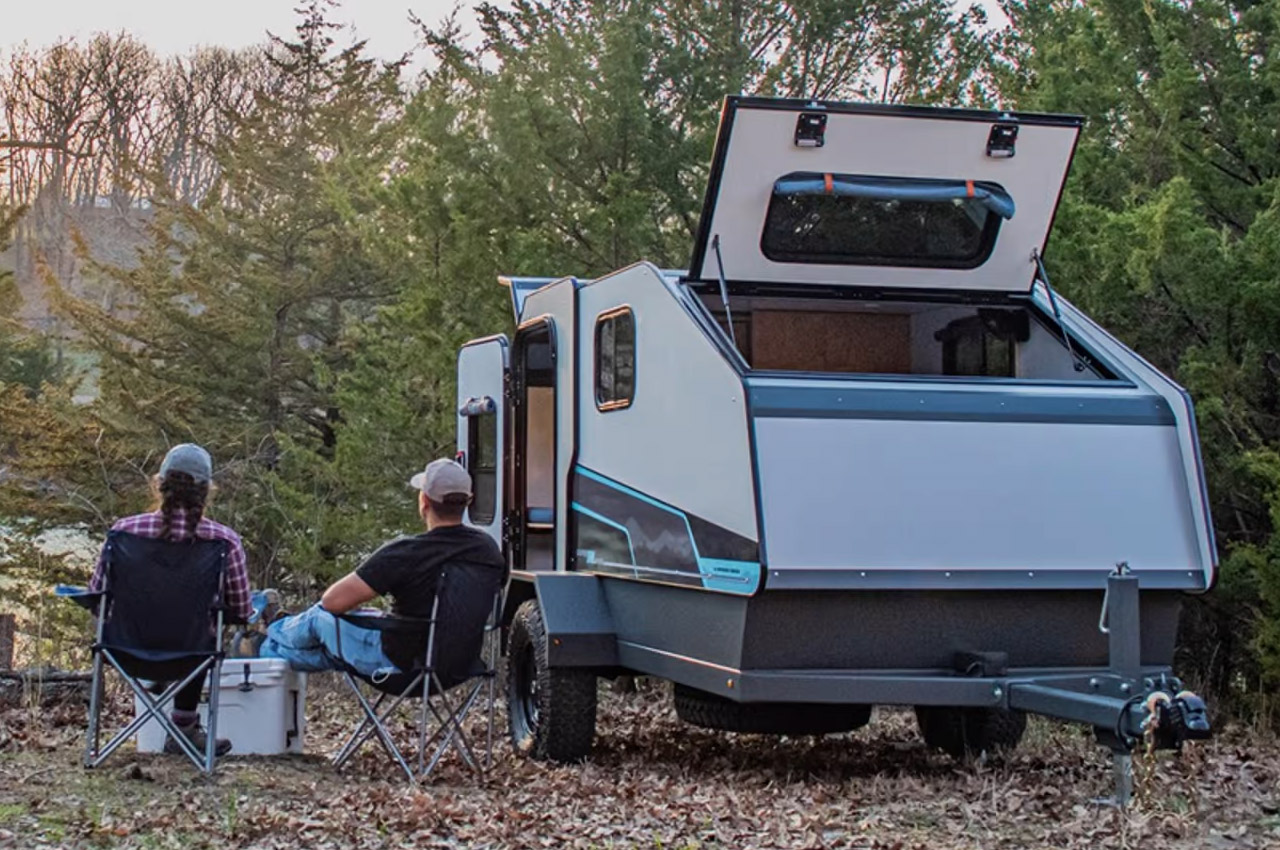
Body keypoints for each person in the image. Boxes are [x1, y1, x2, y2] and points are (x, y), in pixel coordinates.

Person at [260, 459, 506, 678]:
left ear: (424, 501)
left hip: (400, 664)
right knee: (312, 652)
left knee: (317, 617)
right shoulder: (488, 550)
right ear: (468, 501)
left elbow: (332, 602)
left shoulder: (407, 553)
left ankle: (273, 629)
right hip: (459, 668)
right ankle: (266, 647)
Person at [91, 443, 251, 757]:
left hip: (125, 649)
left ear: (159, 484)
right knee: (202, 629)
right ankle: (184, 726)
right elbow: (242, 609)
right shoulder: (224, 541)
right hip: (192, 653)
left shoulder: (123, 532)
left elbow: (98, 597)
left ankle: (156, 685)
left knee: (182, 628)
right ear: (206, 490)